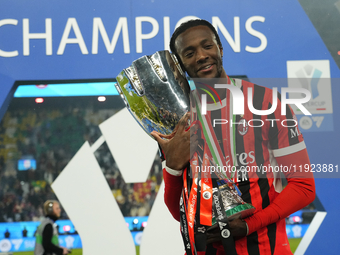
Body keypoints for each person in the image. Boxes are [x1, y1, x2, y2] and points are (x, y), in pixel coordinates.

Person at [151, 19, 315, 255]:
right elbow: (179, 210)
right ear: (180, 65)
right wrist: (173, 169)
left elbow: (303, 186)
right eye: (189, 53)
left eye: (207, 46)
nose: (201, 56)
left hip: (265, 248)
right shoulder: (179, 120)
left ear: (220, 48)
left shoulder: (266, 103)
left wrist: (250, 225)